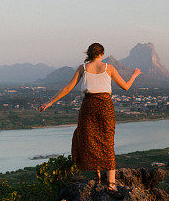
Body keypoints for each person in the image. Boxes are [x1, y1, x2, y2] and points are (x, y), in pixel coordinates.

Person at [38, 43, 141, 192]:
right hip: (105, 106)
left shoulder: (83, 68)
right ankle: (111, 184)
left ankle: (98, 177)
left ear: (89, 53)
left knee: (89, 138)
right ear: (102, 53)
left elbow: (68, 88)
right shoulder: (109, 68)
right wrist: (134, 75)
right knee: (107, 140)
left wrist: (50, 102)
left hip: (88, 106)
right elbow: (125, 86)